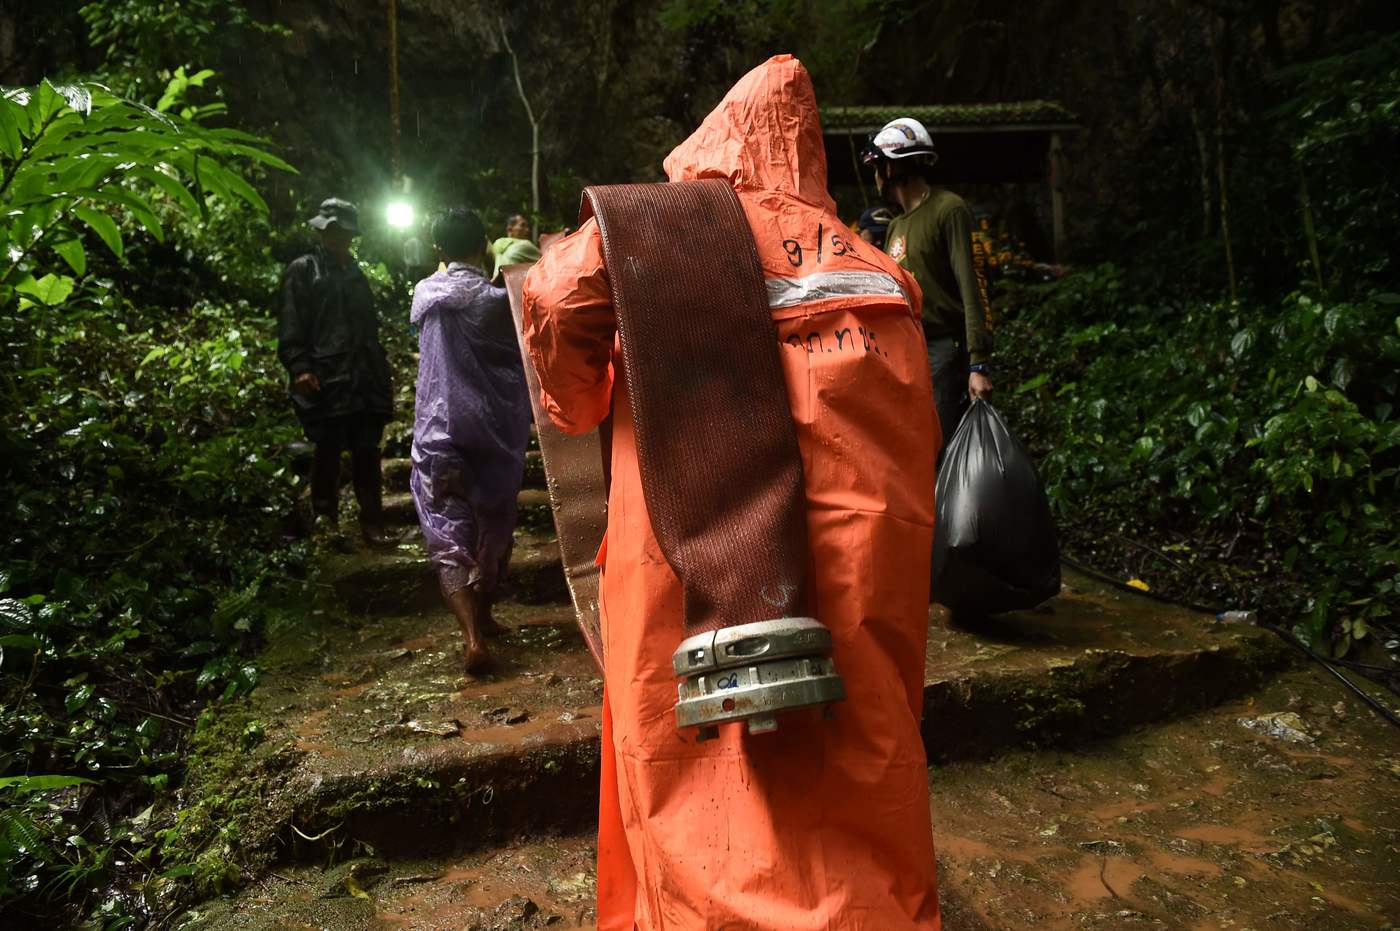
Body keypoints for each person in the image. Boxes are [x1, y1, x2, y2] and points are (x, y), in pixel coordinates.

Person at [523, 55, 942, 930]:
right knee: (862, 739)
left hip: (695, 548)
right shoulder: (877, 269)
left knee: (695, 760)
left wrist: (586, 397)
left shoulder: (655, 232)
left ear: (715, 138)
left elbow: (557, 307)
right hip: (862, 559)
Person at [410, 208, 532, 674]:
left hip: (440, 432)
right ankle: (485, 615)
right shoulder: (497, 303)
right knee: (495, 526)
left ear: (438, 250)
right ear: (484, 244)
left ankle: (473, 635)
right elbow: (518, 355)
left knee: (447, 532)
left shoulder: (427, 293)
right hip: (493, 431)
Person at [864, 118, 994, 446]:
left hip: (944, 351)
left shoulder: (948, 210)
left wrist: (978, 362)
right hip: (908, 351)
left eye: (878, 166)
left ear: (892, 169)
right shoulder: (895, 227)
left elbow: (972, 285)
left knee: (940, 446)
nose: (876, 176)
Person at [277, 197, 393, 545]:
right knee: (326, 449)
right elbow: (291, 322)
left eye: (340, 231)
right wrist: (300, 367)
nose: (333, 237)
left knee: (367, 450)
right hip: (326, 376)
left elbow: (368, 328)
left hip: (362, 376)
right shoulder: (303, 269)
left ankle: (372, 523)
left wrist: (378, 370)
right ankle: (326, 520)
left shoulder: (356, 274)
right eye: (328, 231)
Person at [490, 213, 542, 282]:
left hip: (495, 285)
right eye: (522, 225)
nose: (528, 230)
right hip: (515, 288)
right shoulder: (525, 244)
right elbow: (546, 262)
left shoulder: (496, 244)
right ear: (510, 230)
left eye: (527, 226)